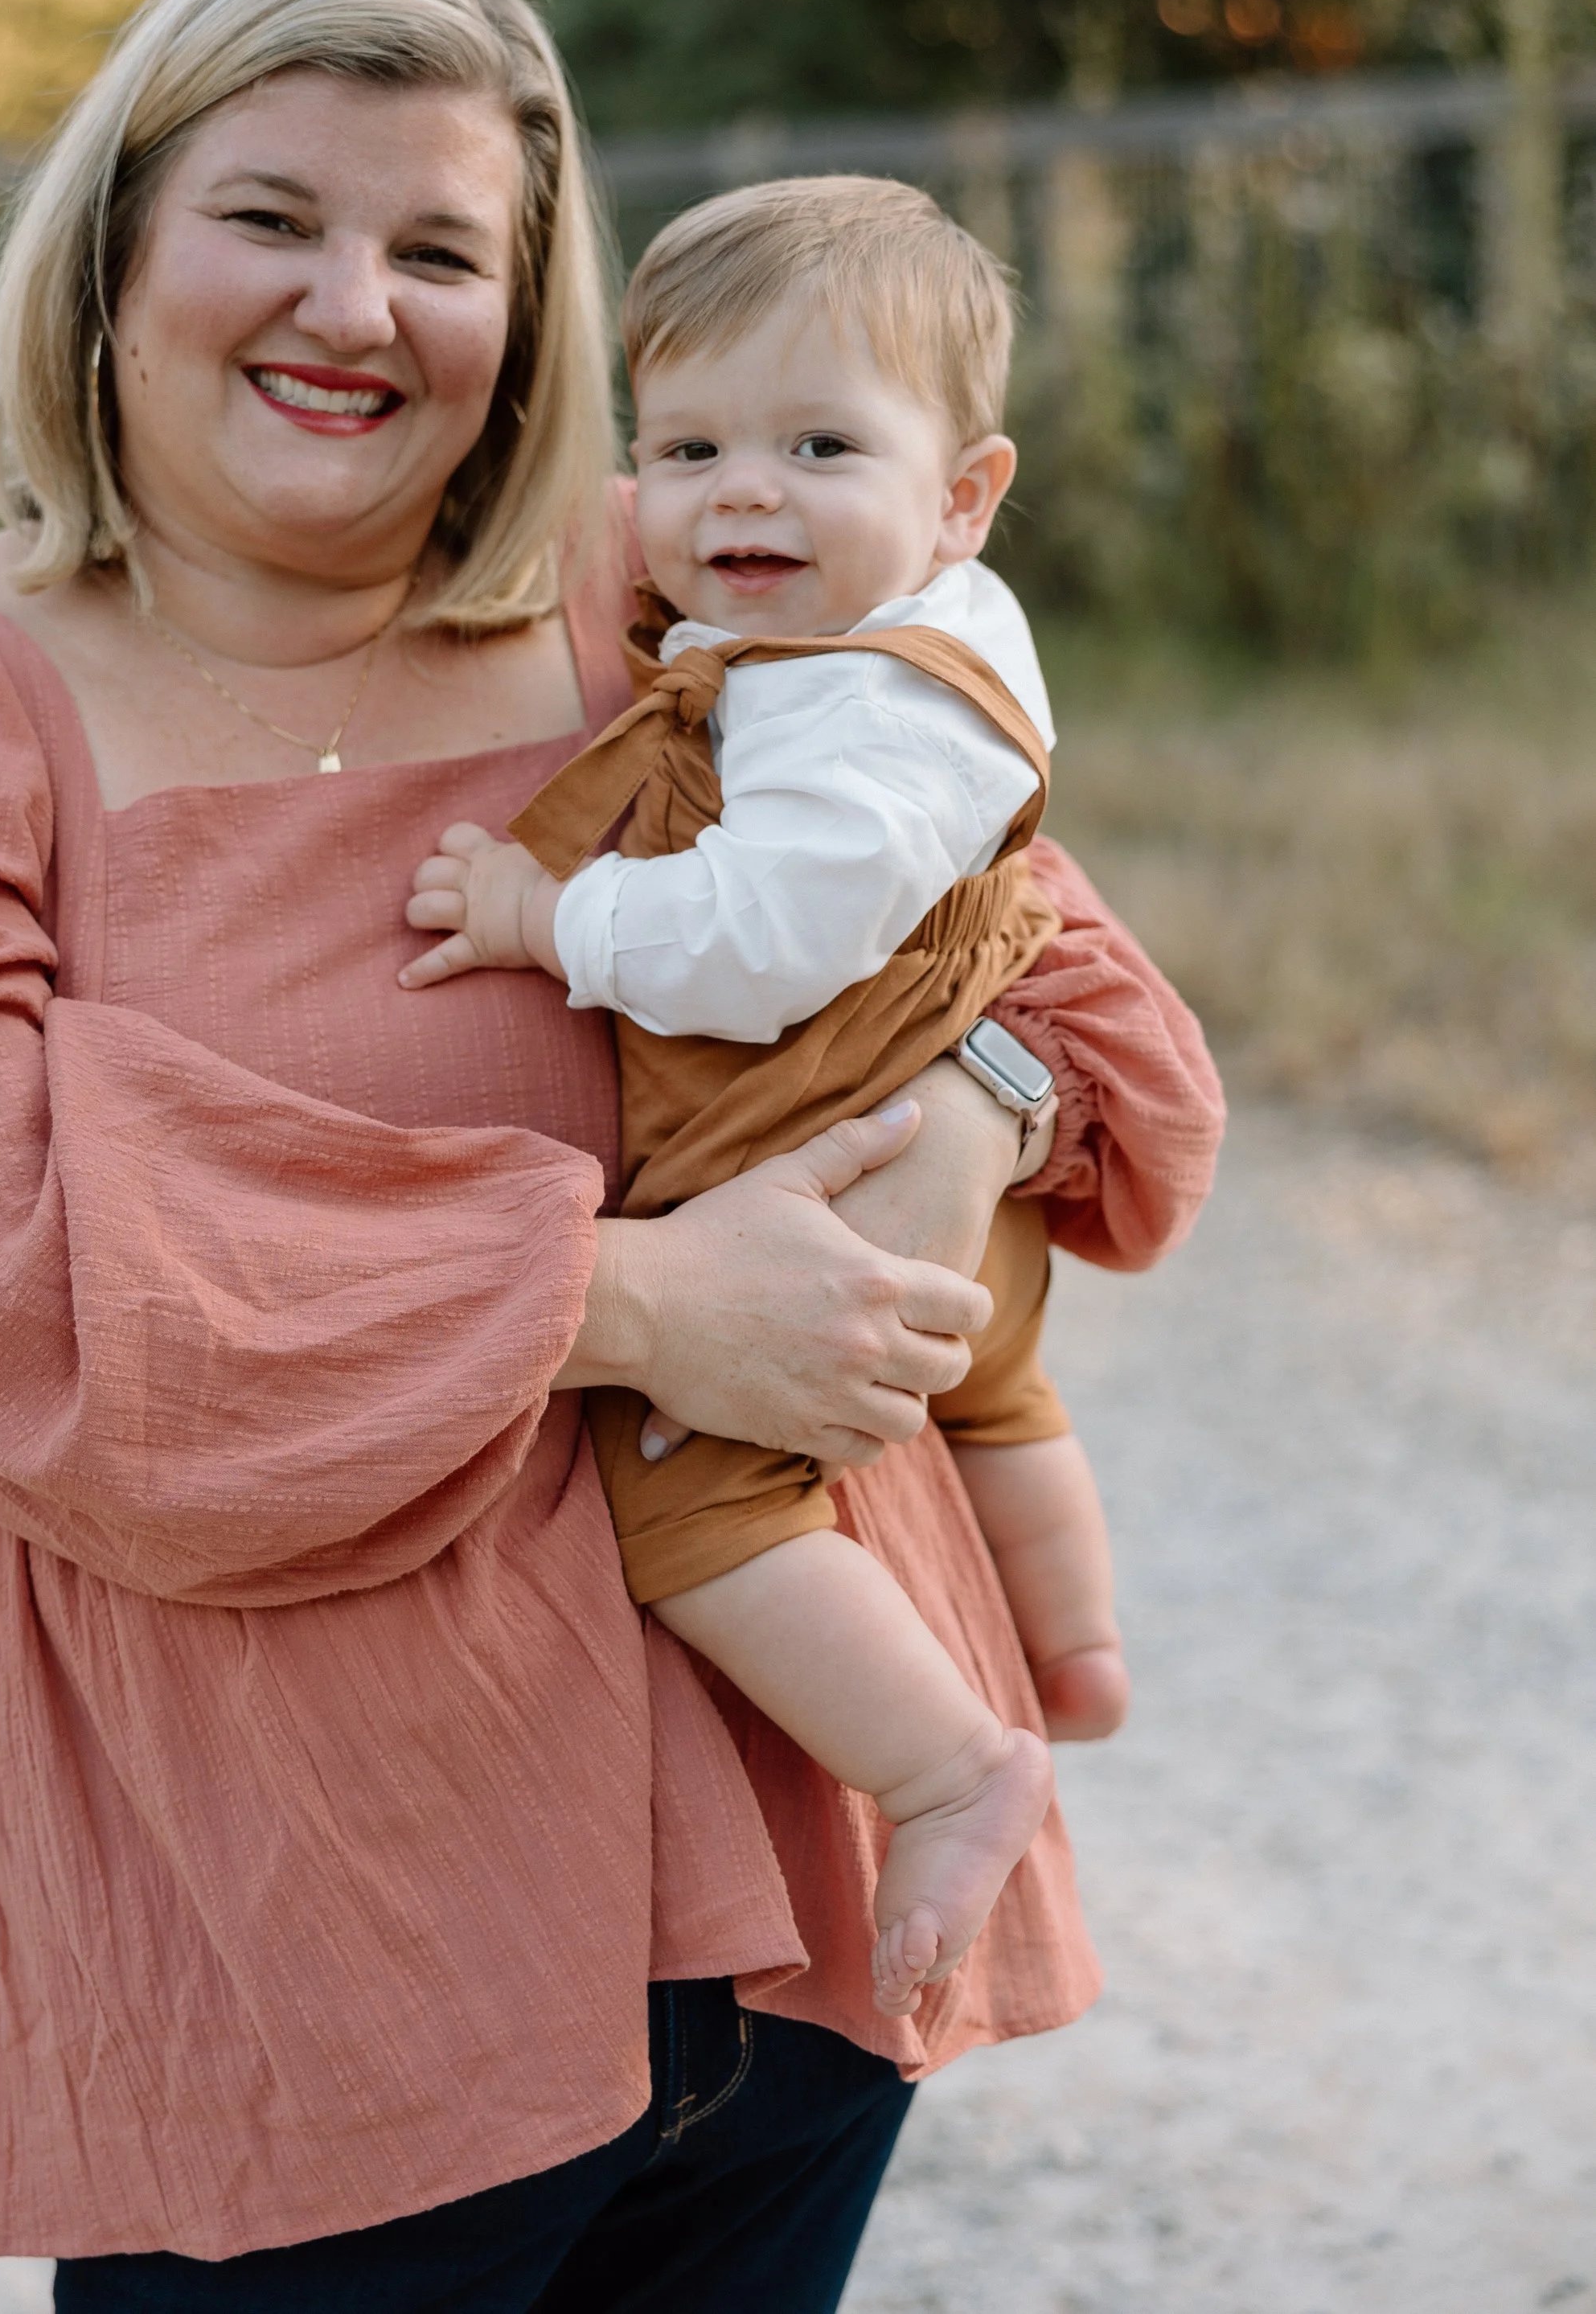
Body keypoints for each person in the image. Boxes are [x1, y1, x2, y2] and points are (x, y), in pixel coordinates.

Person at [0, 0, 1225, 2310]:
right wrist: (631, 1295)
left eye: (441, 248)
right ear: (109, 253)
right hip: (298, 1946)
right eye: (271, 218)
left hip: (799, 1891)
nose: (354, 306)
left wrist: (966, 1111)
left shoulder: (665, 596)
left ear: (530, 317)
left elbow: (1077, 992)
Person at [402, 170, 1145, 2022]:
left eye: (818, 442)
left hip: (820, 1169)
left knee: (693, 1506)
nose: (742, 487)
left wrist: (542, 913)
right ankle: (1074, 1645)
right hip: (943, 1200)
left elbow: (754, 947)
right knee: (994, 1391)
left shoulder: (861, 704)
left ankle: (948, 1763)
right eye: (690, 442)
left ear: (960, 495)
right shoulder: (902, 645)